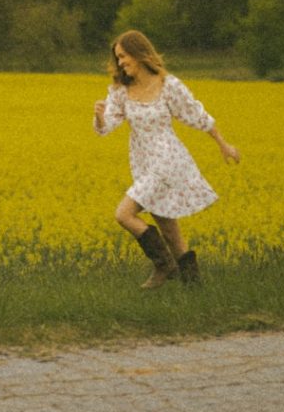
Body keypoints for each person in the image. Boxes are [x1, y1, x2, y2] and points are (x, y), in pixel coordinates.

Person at [94, 30, 240, 289]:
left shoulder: (167, 85)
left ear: (139, 54)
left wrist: (223, 144)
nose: (120, 63)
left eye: (124, 56)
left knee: (124, 214)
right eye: (117, 58)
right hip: (144, 163)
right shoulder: (120, 90)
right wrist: (99, 116)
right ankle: (194, 288)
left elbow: (196, 114)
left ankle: (164, 265)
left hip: (168, 161)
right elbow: (107, 126)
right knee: (170, 231)